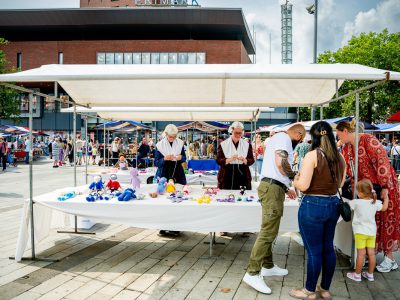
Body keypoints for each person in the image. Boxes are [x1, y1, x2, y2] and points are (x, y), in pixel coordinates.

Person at [243, 124, 304, 295]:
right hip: (272, 189)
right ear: (298, 135)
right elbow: (280, 163)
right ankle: (252, 272)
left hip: (273, 187)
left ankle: (267, 266)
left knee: (269, 229)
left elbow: (274, 169)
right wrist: (294, 177)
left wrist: (286, 188)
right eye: (300, 139)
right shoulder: (284, 138)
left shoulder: (278, 138)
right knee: (268, 232)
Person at [289, 121, 346, 299]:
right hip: (333, 205)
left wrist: (294, 180)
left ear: (313, 137)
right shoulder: (340, 157)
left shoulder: (312, 155)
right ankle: (325, 289)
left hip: (313, 205)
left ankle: (309, 290)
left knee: (314, 251)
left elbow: (304, 185)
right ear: (330, 134)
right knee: (328, 248)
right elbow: (340, 184)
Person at [336, 119, 400, 273]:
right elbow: (346, 170)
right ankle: (364, 254)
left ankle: (390, 259)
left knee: (385, 221)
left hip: (383, 187)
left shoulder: (369, 141)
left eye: (339, 135)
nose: (338, 138)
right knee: (370, 223)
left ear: (346, 131)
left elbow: (382, 163)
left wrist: (385, 186)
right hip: (365, 190)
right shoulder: (347, 147)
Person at [347, 179, 389, 282]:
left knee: (361, 254)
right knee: (371, 254)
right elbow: (384, 208)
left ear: (360, 193)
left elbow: (346, 206)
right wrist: (386, 197)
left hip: (360, 232)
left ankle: (357, 275)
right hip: (371, 232)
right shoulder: (375, 202)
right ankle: (370, 275)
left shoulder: (356, 202)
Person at [155, 124, 187, 237]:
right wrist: (164, 158)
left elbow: (184, 157)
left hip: (177, 173)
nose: (172, 138)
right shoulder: (159, 145)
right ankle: (163, 226)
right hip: (164, 173)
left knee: (177, 200)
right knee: (164, 201)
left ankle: (176, 227)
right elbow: (156, 163)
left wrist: (180, 158)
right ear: (166, 134)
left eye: (174, 136)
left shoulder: (180, 143)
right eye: (170, 136)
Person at [216, 122, 254, 190]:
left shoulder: (247, 145)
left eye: (240, 133)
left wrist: (245, 160)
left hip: (243, 174)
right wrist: (229, 159)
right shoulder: (223, 144)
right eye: (236, 132)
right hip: (226, 175)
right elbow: (218, 160)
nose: (238, 135)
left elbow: (251, 160)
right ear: (232, 130)